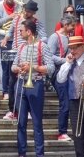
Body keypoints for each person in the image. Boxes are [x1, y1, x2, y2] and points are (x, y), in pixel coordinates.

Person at [12, 19, 54, 157]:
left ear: (28, 31)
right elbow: (13, 66)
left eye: (21, 31)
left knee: (37, 122)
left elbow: (51, 68)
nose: (19, 33)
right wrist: (20, 68)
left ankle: (39, 154)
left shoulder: (43, 46)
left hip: (36, 84)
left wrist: (33, 67)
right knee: (21, 122)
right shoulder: (22, 47)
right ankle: (21, 153)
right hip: (21, 83)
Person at [49, 15, 77, 141]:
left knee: (70, 101)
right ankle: (62, 132)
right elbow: (49, 56)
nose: (73, 28)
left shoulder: (70, 37)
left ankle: (66, 130)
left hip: (70, 72)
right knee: (64, 101)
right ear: (65, 25)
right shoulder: (55, 37)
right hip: (58, 72)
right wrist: (64, 60)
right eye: (71, 26)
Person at [0, 0, 18, 118]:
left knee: (15, 66)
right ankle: (5, 91)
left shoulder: (18, 7)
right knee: (6, 66)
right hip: (4, 41)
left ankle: (14, 90)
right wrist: (9, 17)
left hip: (17, 41)